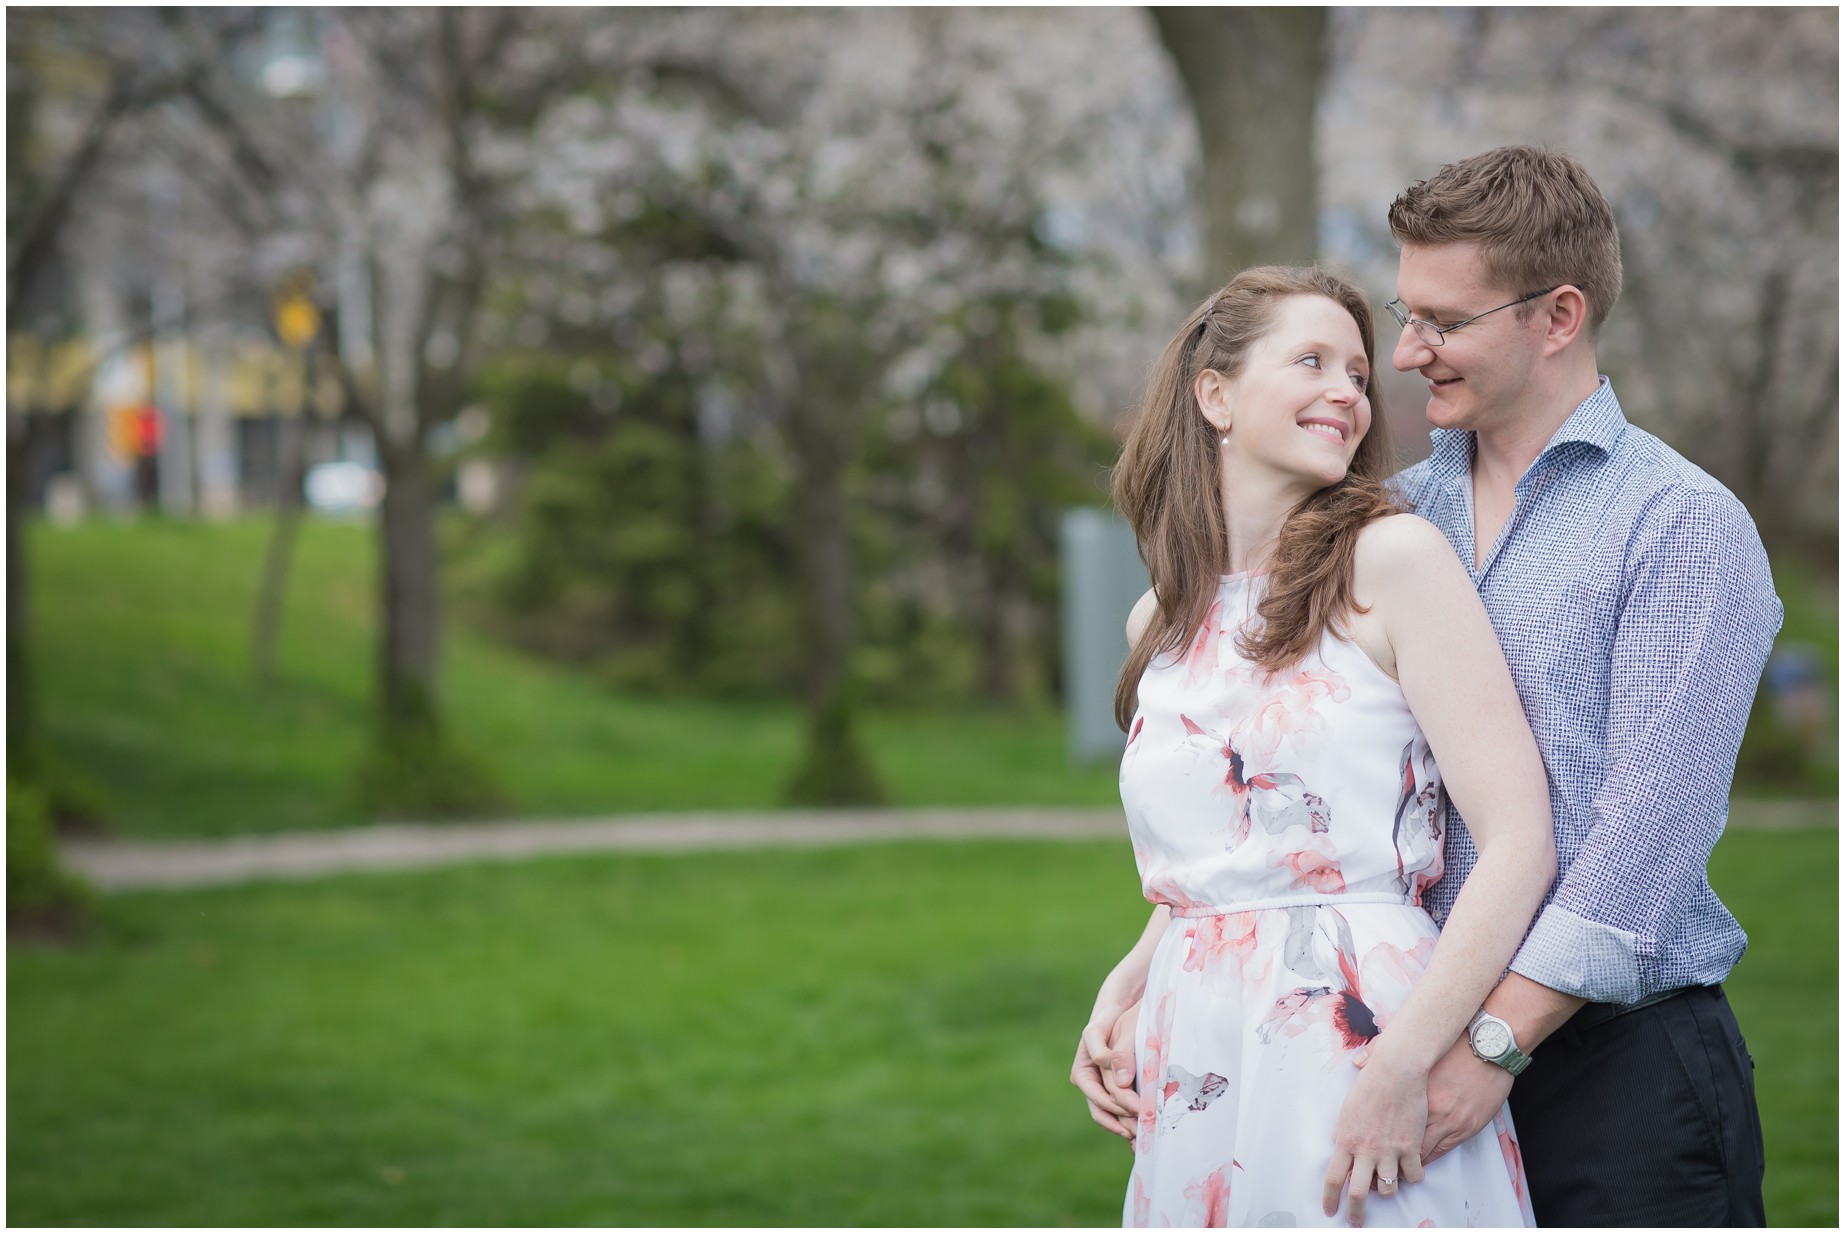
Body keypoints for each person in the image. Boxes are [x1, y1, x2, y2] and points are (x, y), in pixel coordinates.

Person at [1076, 147, 1781, 1227]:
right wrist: (1148, 969)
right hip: (1388, 1040)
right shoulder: (1380, 518)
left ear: (1557, 316)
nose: (1403, 354)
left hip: (1611, 1062)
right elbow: (1284, 808)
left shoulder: (1678, 526)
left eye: (1441, 321)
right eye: (1403, 316)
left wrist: (1490, 1046)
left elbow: (1647, 841)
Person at [1087, 263, 1556, 1228]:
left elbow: (1517, 842)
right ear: (1214, 394)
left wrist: (1403, 1064)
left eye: (1355, 368)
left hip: (1360, 1032)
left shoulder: (1392, 562)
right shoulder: (1157, 622)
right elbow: (1233, 858)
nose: (1347, 389)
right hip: (1197, 1044)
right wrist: (1128, 980)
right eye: (1310, 360)